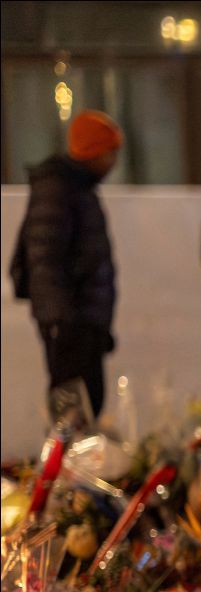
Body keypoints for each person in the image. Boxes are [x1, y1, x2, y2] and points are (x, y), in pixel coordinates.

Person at [9, 110, 121, 420]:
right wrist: (62, 321)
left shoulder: (76, 188)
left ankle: (76, 465)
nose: (114, 161)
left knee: (86, 403)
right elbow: (44, 257)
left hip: (82, 320)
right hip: (71, 321)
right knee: (73, 407)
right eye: (111, 152)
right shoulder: (59, 188)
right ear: (94, 151)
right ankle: (68, 467)